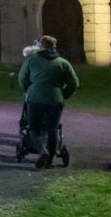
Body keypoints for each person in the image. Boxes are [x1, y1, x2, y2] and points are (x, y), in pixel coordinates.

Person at [18, 34, 80, 169]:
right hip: (54, 99)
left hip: (35, 98)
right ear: (54, 47)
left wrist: (28, 91)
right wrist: (63, 95)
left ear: (41, 46)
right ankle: (50, 159)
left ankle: (42, 150)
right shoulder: (63, 63)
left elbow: (22, 78)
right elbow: (74, 83)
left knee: (33, 127)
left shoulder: (31, 60)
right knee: (53, 129)